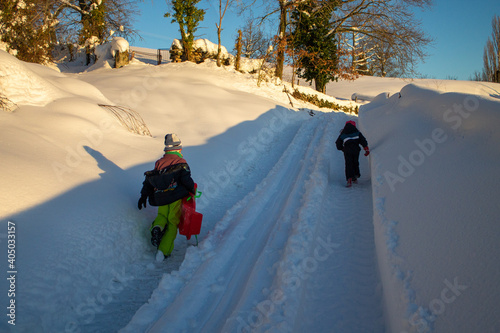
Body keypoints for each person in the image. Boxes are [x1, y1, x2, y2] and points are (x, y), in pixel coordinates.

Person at [138, 133, 196, 258]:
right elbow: (186, 179)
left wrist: (143, 195)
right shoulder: (181, 162)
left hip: (160, 196)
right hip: (175, 197)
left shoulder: (159, 163)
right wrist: (192, 190)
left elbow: (149, 180)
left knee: (162, 216)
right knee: (172, 222)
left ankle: (157, 228)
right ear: (178, 148)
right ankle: (164, 252)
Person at [335, 120, 370, 187]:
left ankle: (349, 179)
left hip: (347, 151)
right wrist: (366, 149)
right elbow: (363, 141)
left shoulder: (343, 133)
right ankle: (355, 176)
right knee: (355, 162)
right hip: (356, 150)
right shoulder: (357, 132)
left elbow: (338, 143)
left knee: (348, 163)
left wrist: (342, 148)